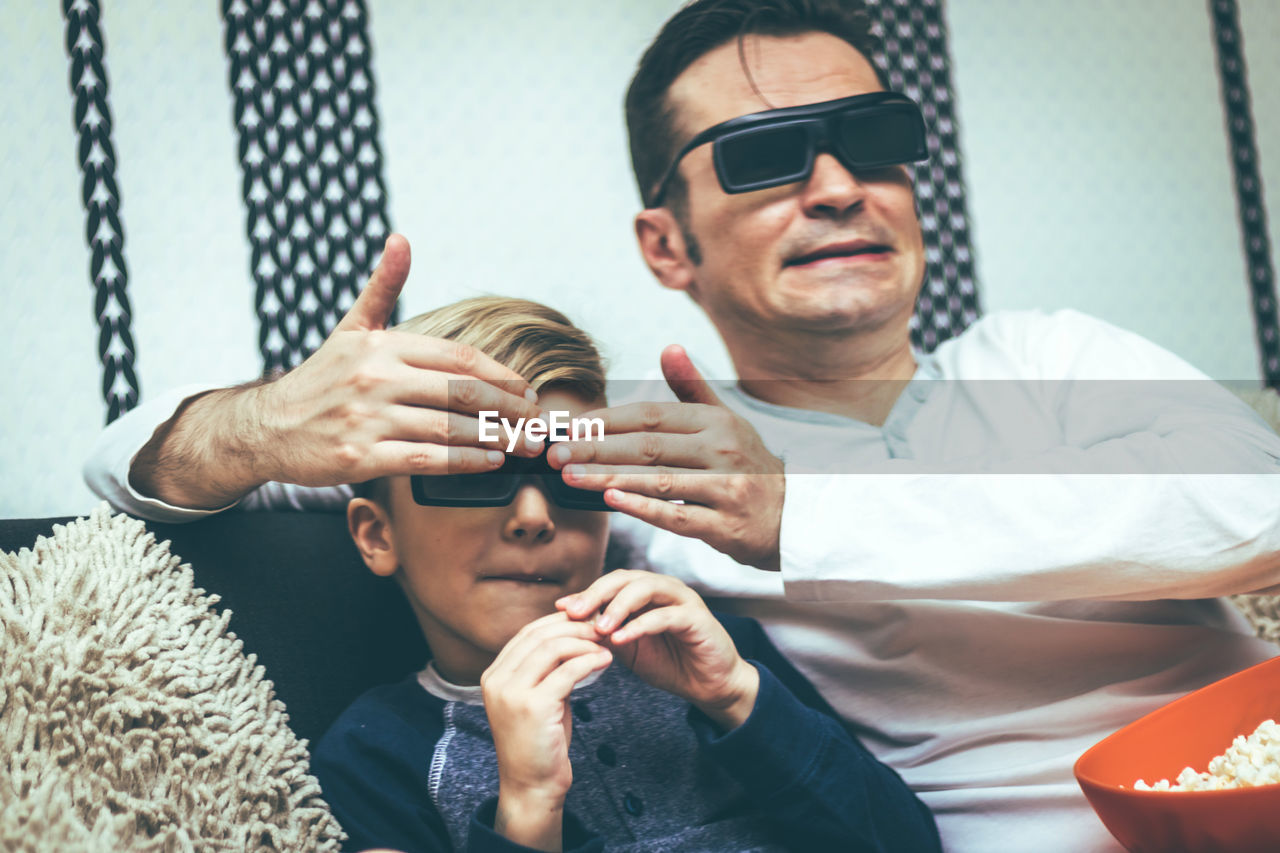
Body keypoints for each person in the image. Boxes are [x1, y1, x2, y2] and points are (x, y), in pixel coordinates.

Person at [84, 1, 1280, 849]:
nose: (833, 186)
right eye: (762, 158)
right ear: (666, 242)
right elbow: (134, 462)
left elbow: (1258, 510)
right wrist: (268, 418)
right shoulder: (624, 456)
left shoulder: (1046, 357)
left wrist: (803, 511)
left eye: (870, 141)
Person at [308, 296, 940, 853]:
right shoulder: (372, 755)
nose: (533, 516)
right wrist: (527, 806)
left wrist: (738, 699)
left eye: (571, 474)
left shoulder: (716, 654)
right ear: (376, 534)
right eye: (476, 475)